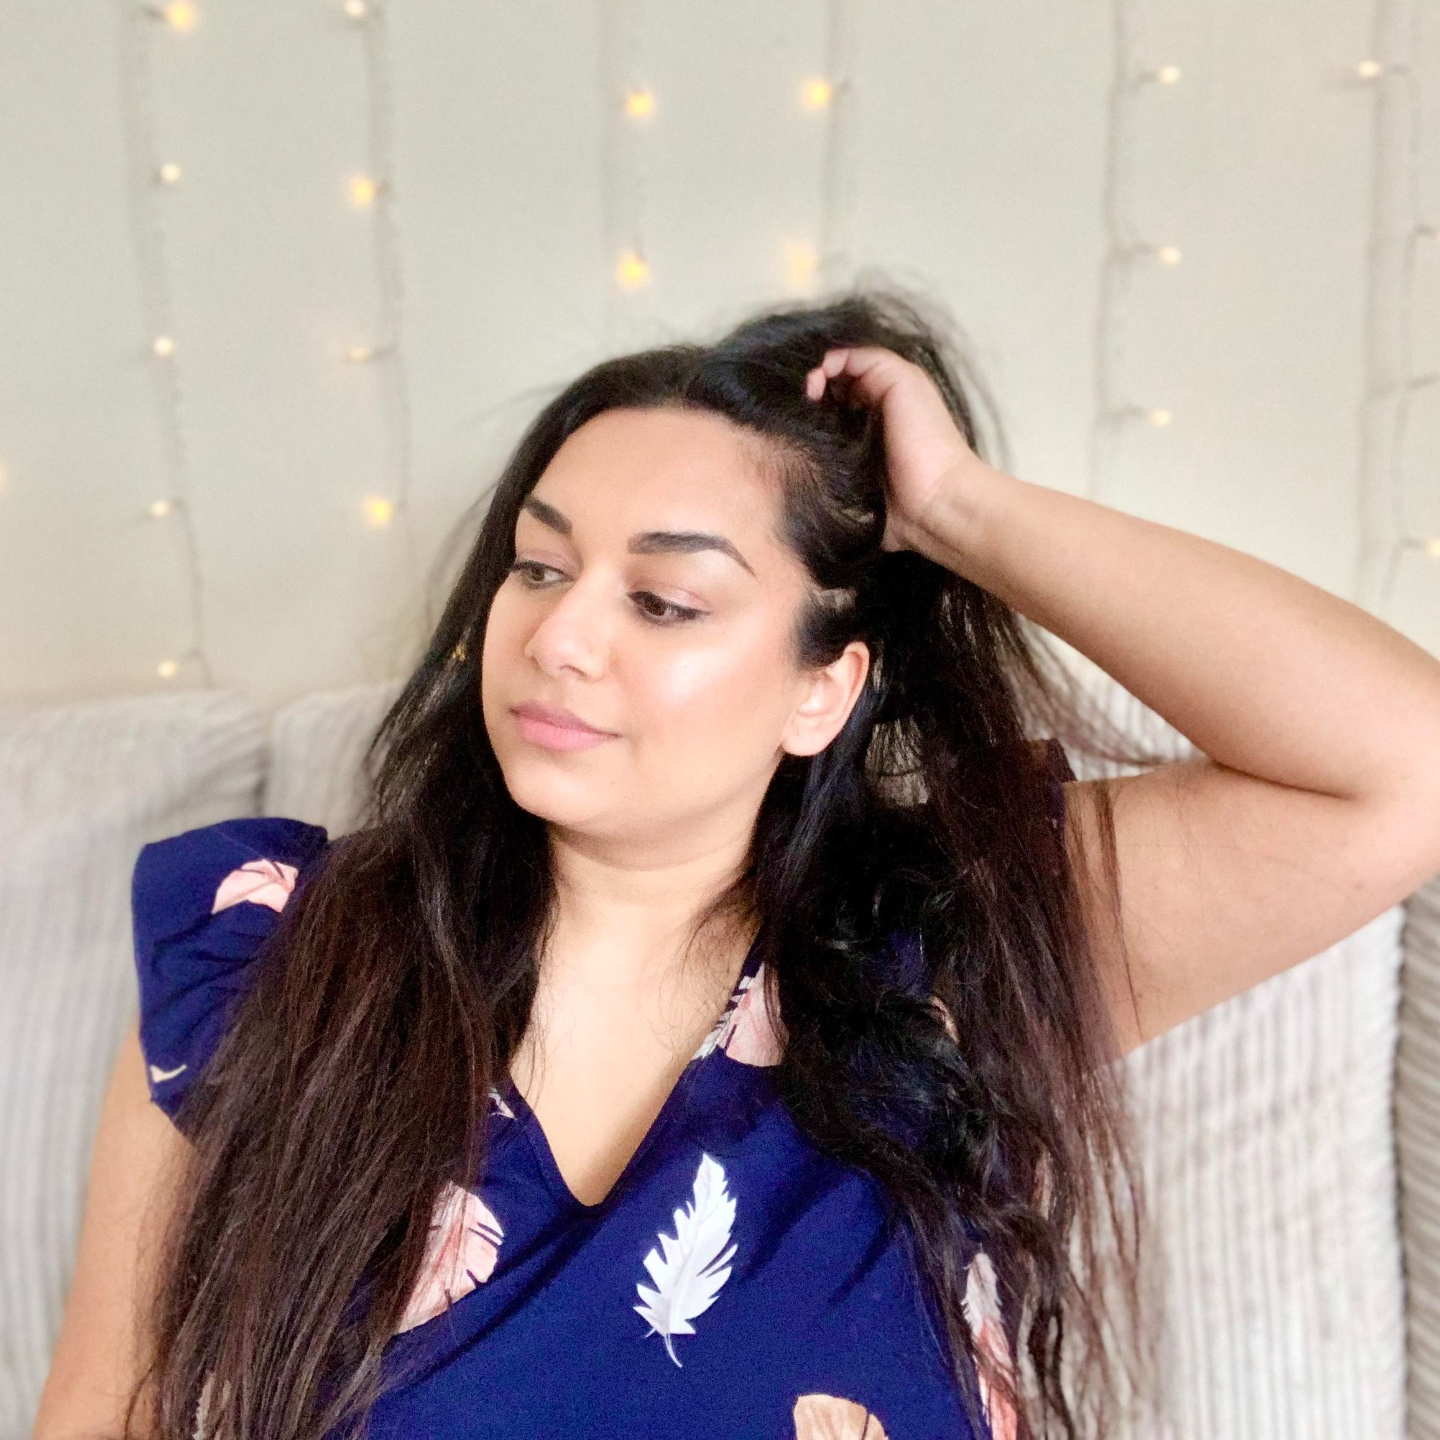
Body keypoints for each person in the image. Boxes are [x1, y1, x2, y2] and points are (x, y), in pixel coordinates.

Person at [34, 285, 1440, 1440]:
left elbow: (1399, 770)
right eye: (539, 568)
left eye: (663, 599)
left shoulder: (942, 955)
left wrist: (959, 510)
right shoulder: (267, 948)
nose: (561, 637)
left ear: (824, 690)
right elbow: (102, 1417)